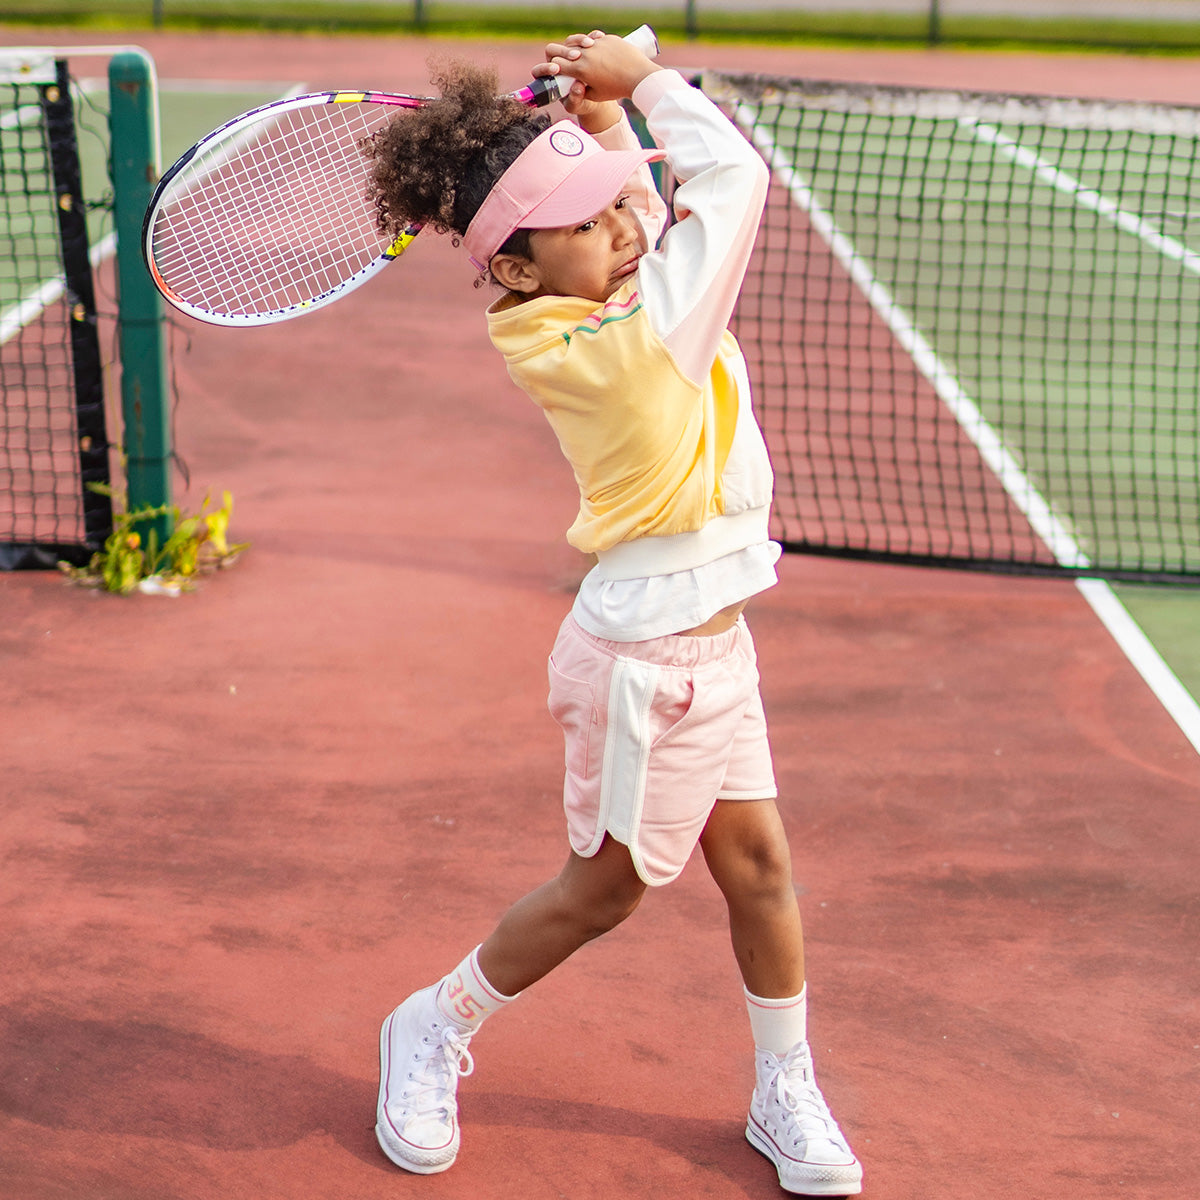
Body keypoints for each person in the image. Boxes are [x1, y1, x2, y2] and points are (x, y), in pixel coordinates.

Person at [362, 30, 863, 1197]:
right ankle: (430, 1024)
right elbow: (729, 180)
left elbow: (630, 211)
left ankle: (784, 1083)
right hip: (650, 661)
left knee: (760, 870)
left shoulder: (578, 299)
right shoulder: (638, 342)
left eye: (615, 213)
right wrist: (648, 89)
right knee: (606, 891)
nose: (627, 229)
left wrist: (596, 132)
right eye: (591, 223)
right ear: (524, 268)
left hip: (710, 638)